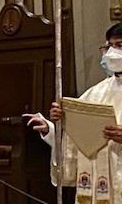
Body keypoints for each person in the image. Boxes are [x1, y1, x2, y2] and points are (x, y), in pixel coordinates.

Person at [26, 23, 122, 203]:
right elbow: (80, 137)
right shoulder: (96, 93)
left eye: (119, 46)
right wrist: (56, 126)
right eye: (109, 46)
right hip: (100, 186)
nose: (112, 52)